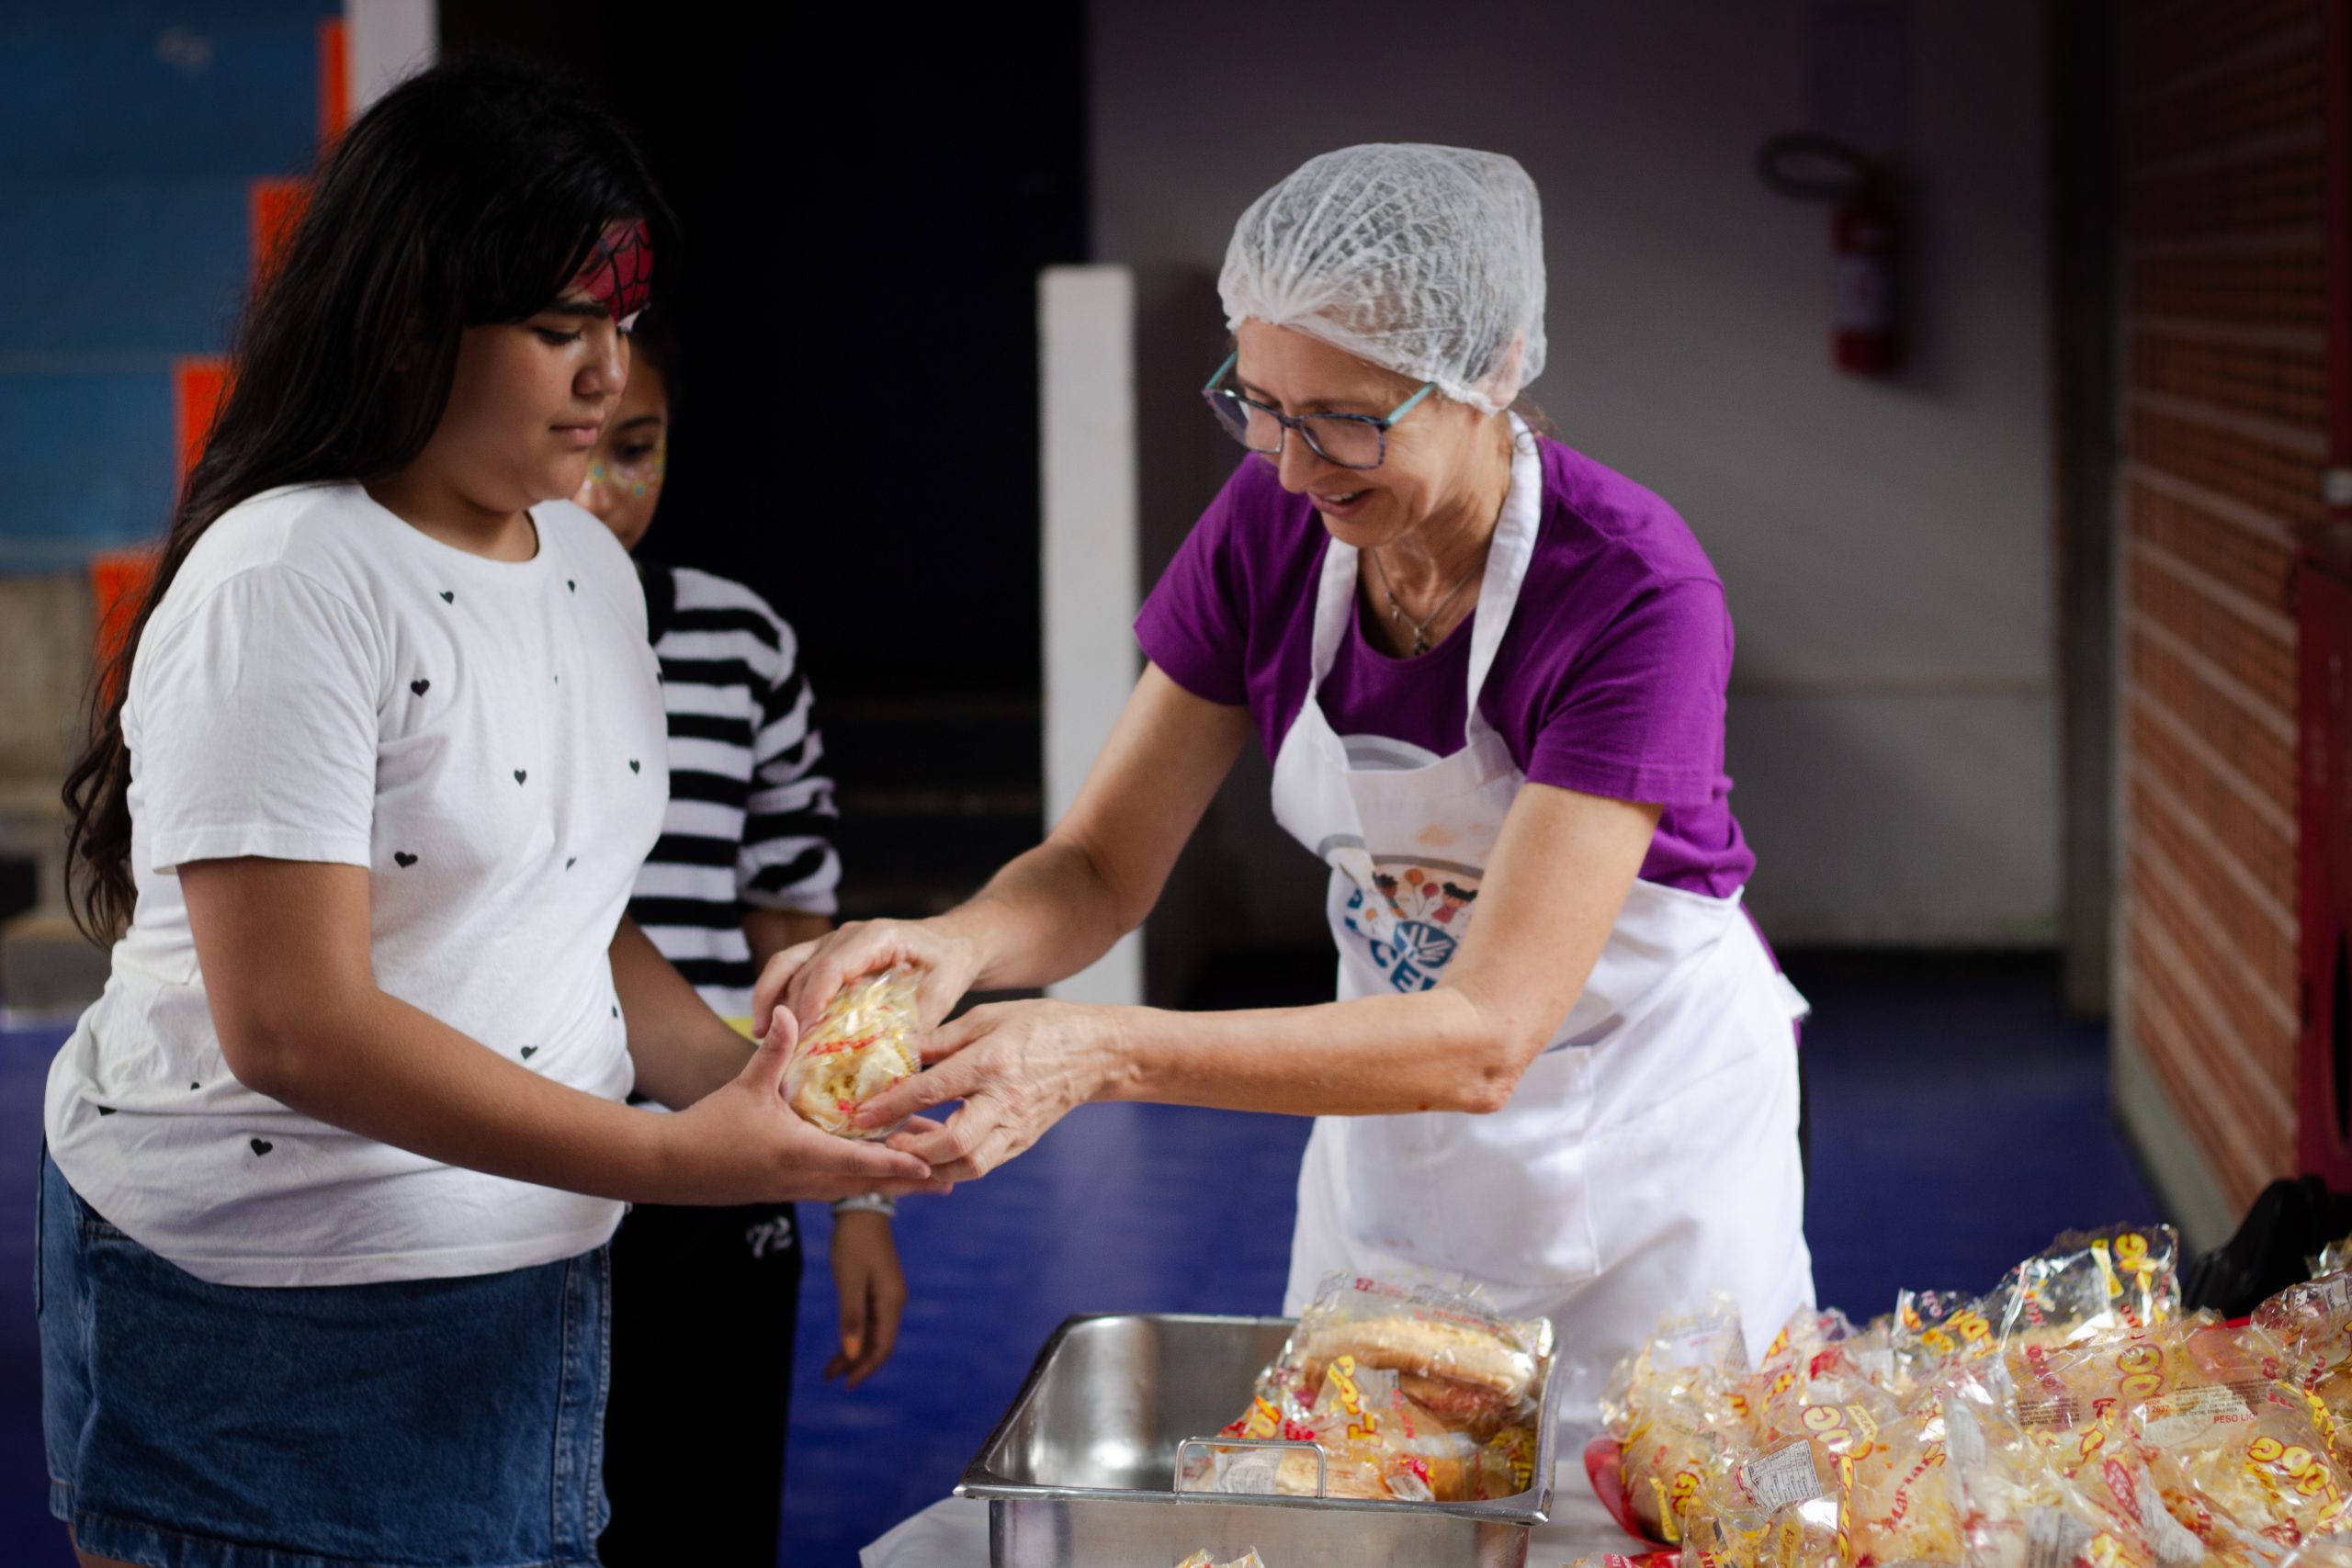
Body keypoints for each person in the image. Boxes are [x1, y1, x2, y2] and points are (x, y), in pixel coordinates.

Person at [42, 58, 933, 1568]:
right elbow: (296, 1028)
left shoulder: (582, 568)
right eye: (558, 330)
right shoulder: (289, 580)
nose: (607, 377)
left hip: (527, 1261)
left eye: (621, 328)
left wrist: (769, 1089)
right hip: (269, 1312)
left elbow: (570, 917)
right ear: (408, 324)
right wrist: (672, 1160)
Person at [763, 143, 1814, 1408]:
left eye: (1348, 420)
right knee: (1370, 1475)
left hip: (1644, 1155)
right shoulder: (1276, 521)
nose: (1295, 466)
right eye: (1260, 404)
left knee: (1635, 1488)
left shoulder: (1631, 592)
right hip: (1392, 1122)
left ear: (1488, 373)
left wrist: (1100, 1052)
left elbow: (1487, 1037)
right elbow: (1097, 866)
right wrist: (958, 942)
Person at [573, 318, 905, 1566]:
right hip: (515, 1154)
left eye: (634, 447)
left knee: (706, 1508)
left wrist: (854, 1184)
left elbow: (793, 920)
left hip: (722, 1153)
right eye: (570, 444)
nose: (596, 489)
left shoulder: (740, 643)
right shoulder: (459, 639)